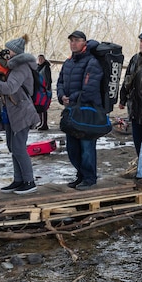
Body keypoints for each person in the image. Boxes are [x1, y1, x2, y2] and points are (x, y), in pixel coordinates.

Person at [57, 30, 104, 190]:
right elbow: (60, 81)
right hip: (72, 109)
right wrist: (62, 95)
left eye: (77, 40)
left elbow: (90, 87)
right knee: (72, 147)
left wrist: (73, 97)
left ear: (84, 42)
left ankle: (89, 178)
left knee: (86, 146)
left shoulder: (92, 62)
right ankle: (80, 175)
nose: (73, 43)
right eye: (71, 41)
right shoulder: (68, 62)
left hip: (87, 109)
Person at [0, 35, 40, 195]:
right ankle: (18, 180)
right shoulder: (12, 67)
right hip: (12, 112)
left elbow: (9, 88)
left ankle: (29, 181)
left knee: (19, 148)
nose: (7, 53)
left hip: (22, 112)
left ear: (16, 52)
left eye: (9, 50)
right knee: (12, 147)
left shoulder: (21, 67)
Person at [36, 54, 52, 130]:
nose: (40, 60)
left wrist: (47, 89)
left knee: (44, 107)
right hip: (39, 89)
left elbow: (48, 79)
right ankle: (40, 122)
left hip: (44, 90)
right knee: (39, 106)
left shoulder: (46, 67)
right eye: (39, 59)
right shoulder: (37, 68)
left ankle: (44, 123)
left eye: (42, 59)